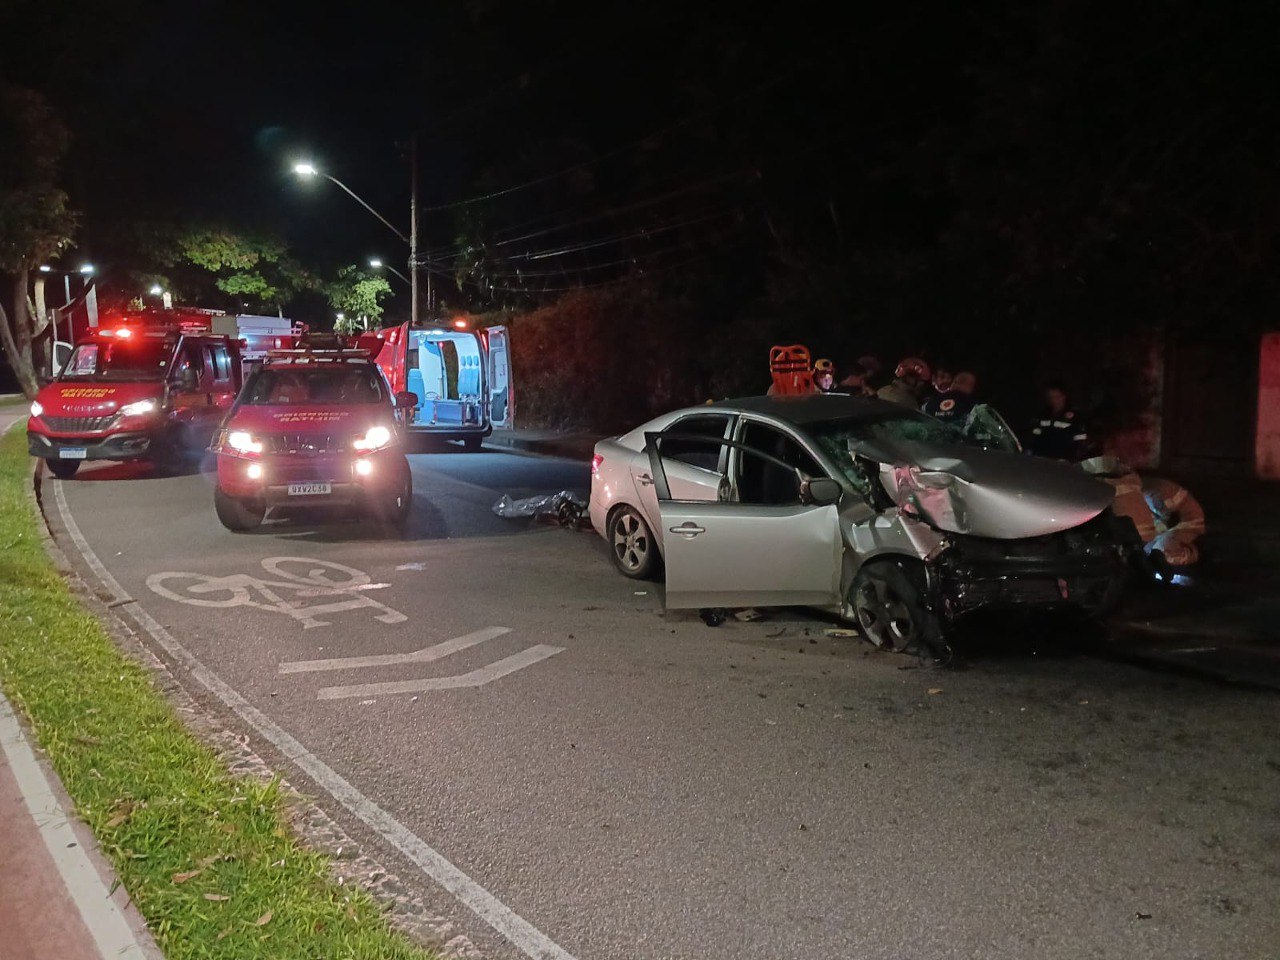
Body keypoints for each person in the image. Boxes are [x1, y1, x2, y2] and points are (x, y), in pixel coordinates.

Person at [1028, 381, 1089, 460]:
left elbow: (1080, 440)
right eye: (1052, 397)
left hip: (1063, 460)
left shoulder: (1075, 416)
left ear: (1064, 396)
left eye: (1057, 396)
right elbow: (1035, 434)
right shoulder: (1044, 414)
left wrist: (1072, 458)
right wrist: (1031, 450)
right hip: (1042, 458)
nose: (1055, 400)